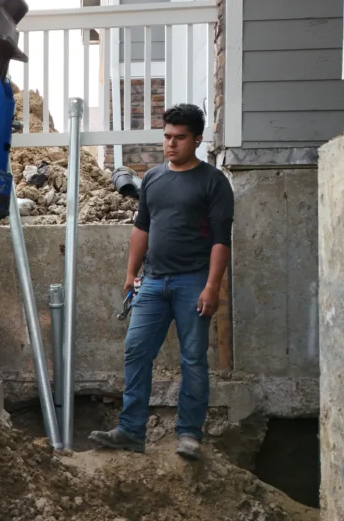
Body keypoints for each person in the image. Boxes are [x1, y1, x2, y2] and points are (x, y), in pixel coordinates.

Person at [88, 103, 233, 460]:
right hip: (152, 282)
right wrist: (130, 273)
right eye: (167, 137)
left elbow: (221, 239)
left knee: (193, 360)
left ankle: (188, 434)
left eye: (179, 138)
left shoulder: (214, 182)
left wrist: (212, 287)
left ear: (197, 139)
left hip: (192, 283)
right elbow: (142, 228)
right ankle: (131, 430)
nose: (171, 144)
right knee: (136, 351)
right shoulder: (152, 178)